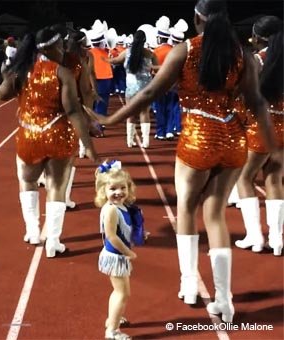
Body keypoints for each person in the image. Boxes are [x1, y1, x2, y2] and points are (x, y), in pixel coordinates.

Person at [96, 0, 278, 323]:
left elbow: (151, 92)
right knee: (216, 215)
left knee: (186, 208)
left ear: (197, 19)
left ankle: (190, 283)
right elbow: (256, 102)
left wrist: (111, 121)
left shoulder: (186, 50)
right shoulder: (243, 55)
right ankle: (224, 300)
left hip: (198, 137)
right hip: (233, 139)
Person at [0, 26, 98, 258]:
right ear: (56, 47)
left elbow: (2, 94)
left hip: (29, 135)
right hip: (58, 134)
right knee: (56, 188)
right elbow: (73, 110)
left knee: (28, 182)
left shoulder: (22, 69)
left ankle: (32, 230)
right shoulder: (63, 71)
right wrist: (88, 143)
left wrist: (6, 76)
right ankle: (53, 241)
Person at [234, 15, 283, 256]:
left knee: (244, 178)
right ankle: (276, 239)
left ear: (259, 38)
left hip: (262, 127)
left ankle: (255, 237)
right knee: (274, 179)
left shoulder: (257, 60)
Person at [95, 161, 137, 340]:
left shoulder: (122, 207)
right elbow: (112, 236)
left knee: (120, 291)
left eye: (123, 188)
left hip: (119, 255)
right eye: (113, 189)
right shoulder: (111, 210)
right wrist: (129, 252)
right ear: (103, 191)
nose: (118, 192)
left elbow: (124, 229)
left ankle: (113, 317)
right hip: (115, 256)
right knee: (122, 293)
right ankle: (112, 330)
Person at [109, 29, 158, 149]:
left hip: (131, 87)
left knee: (130, 114)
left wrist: (107, 59)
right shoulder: (150, 54)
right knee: (144, 112)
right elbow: (156, 69)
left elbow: (115, 61)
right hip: (146, 87)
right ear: (145, 41)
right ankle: (145, 141)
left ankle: (129, 141)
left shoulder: (127, 52)